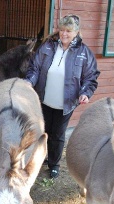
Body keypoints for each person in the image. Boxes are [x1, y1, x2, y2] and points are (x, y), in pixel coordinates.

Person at [25, 14, 100, 179]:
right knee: (43, 131)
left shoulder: (83, 52)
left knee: (57, 134)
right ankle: (41, 157)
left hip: (65, 103)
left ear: (76, 32)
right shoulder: (48, 46)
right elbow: (34, 67)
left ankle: (54, 164)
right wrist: (29, 82)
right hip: (43, 99)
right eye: (61, 30)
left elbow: (90, 77)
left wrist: (85, 93)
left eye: (68, 31)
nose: (64, 34)